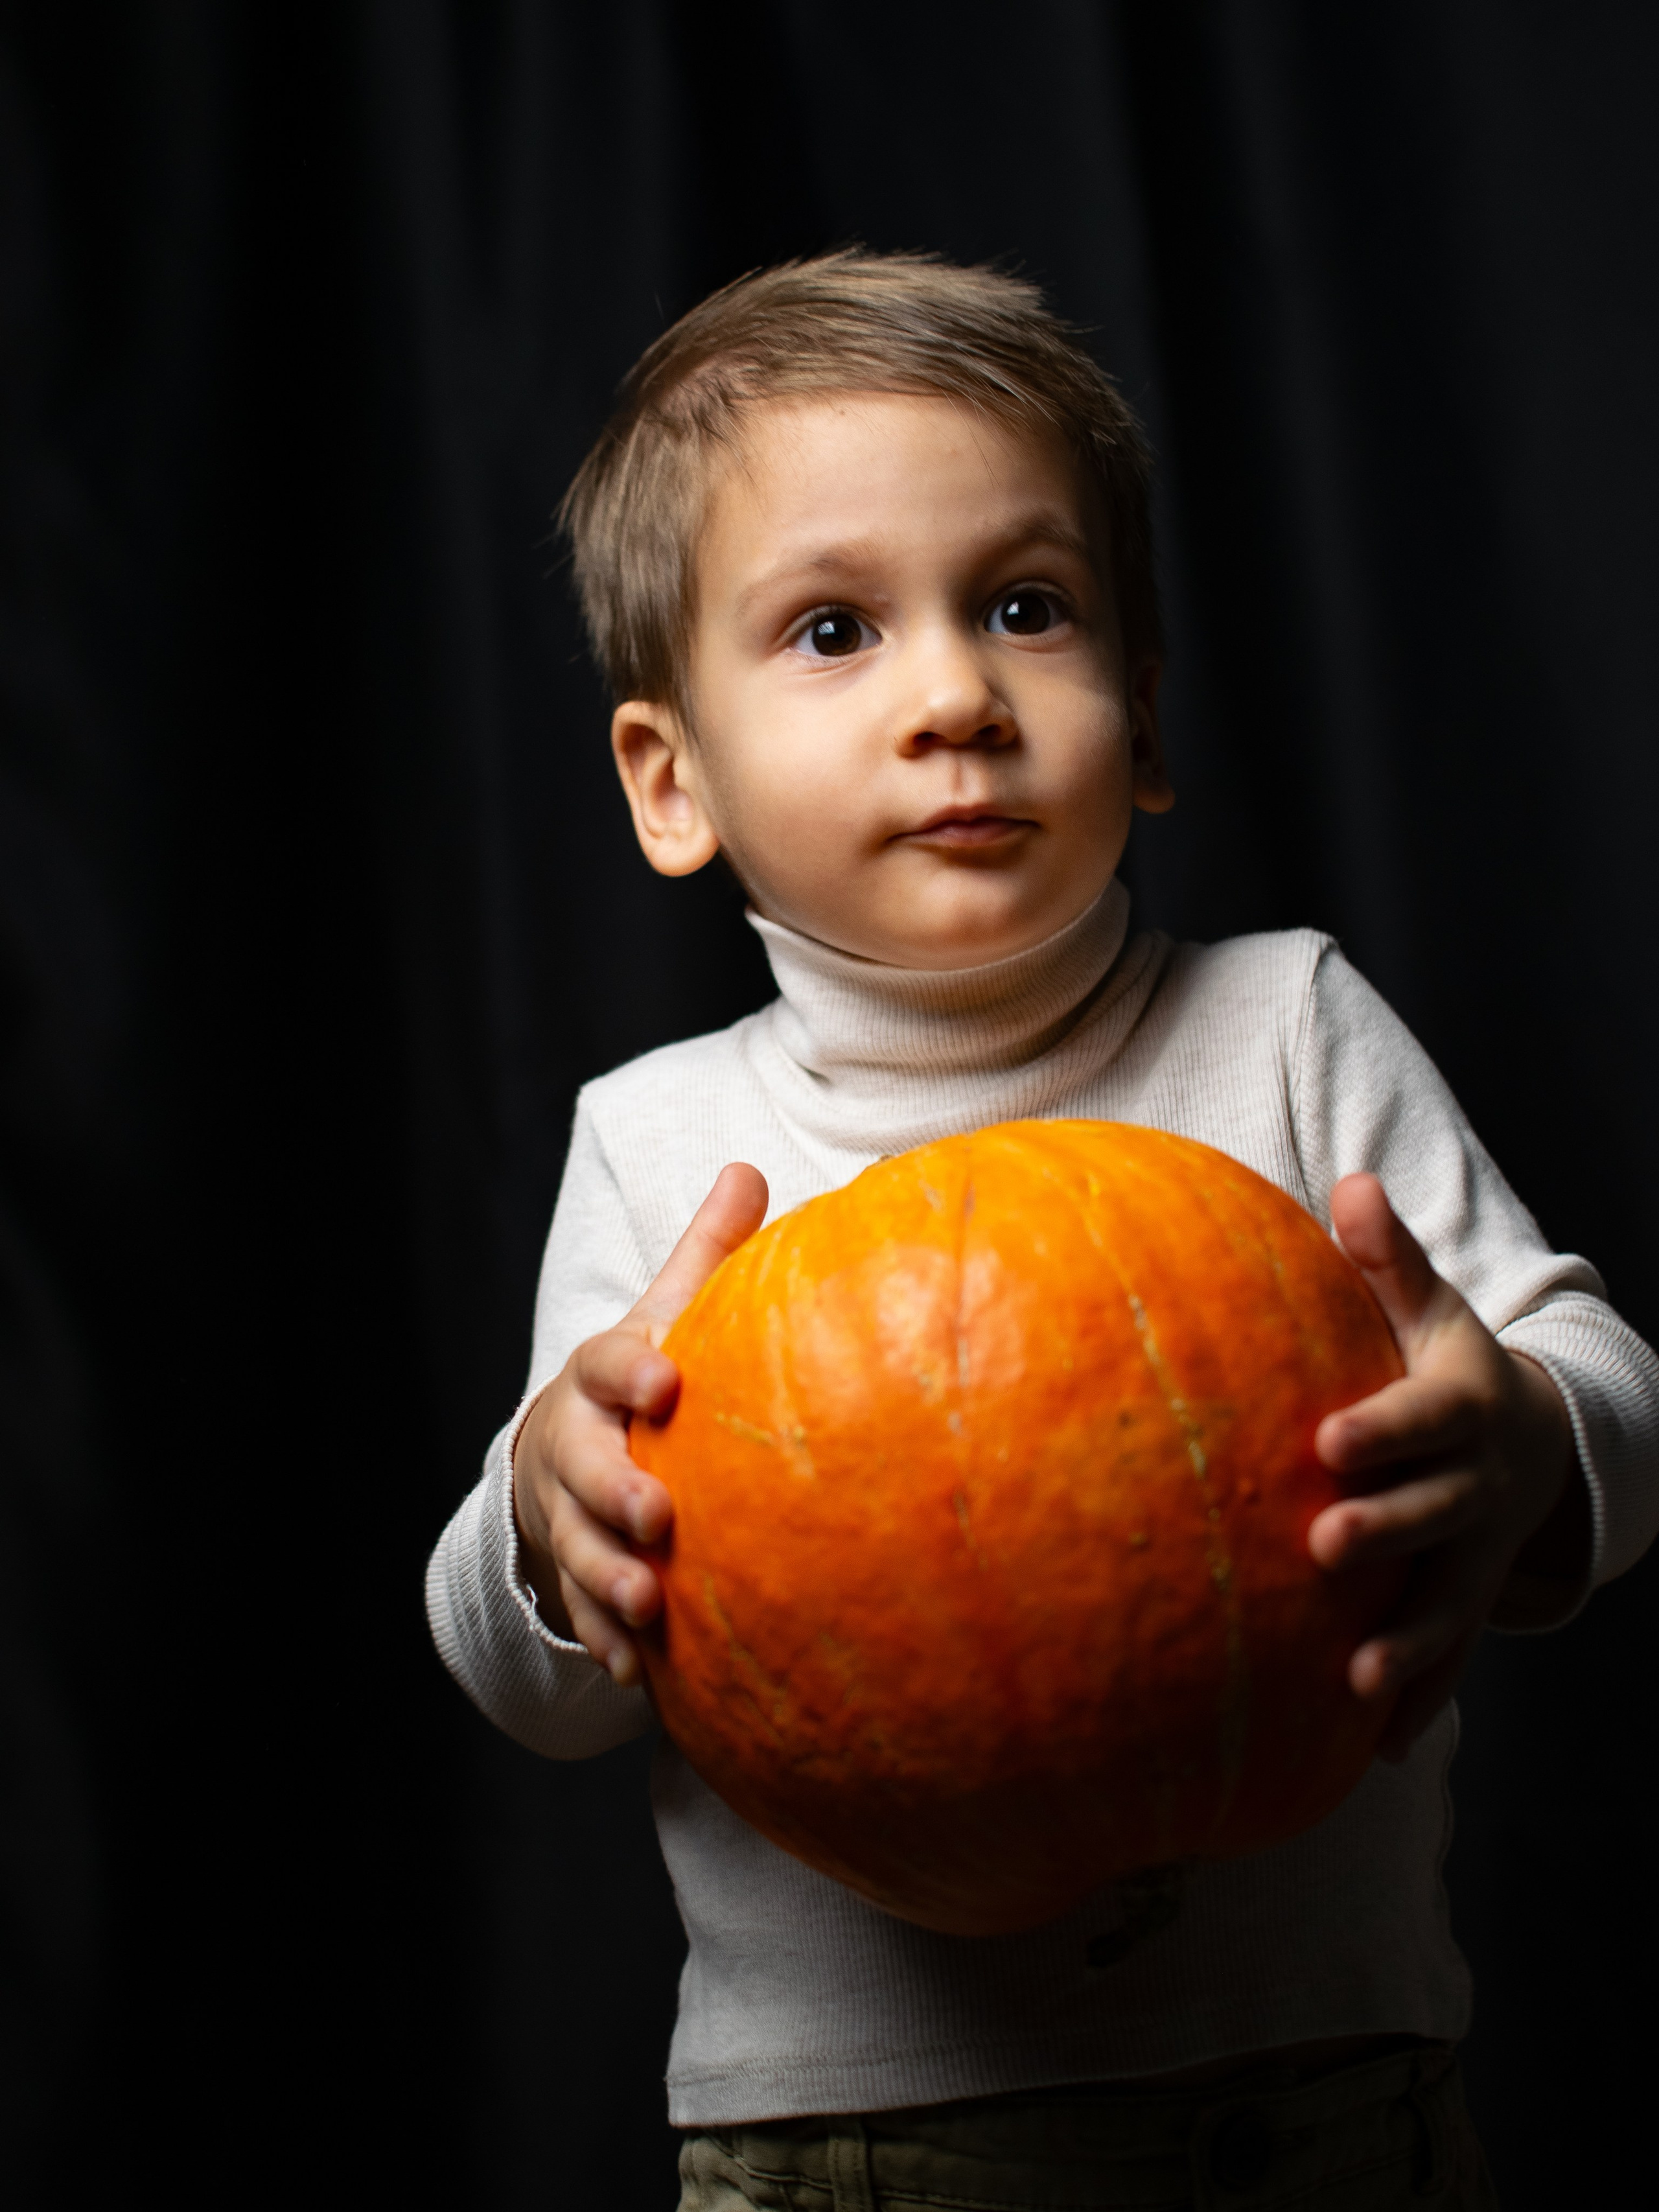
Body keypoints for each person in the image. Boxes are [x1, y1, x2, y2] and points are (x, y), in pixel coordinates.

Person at [426, 253, 1659, 2210]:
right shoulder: (663, 1146)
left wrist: (1523, 1445)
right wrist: (550, 1526)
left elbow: (1599, 1383)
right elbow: (530, 1680)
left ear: (1146, 722)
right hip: (847, 2147)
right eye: (835, 629)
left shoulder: (1288, 1028)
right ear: (672, 779)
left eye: (1026, 607)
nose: (954, 696)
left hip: (1327, 2098)